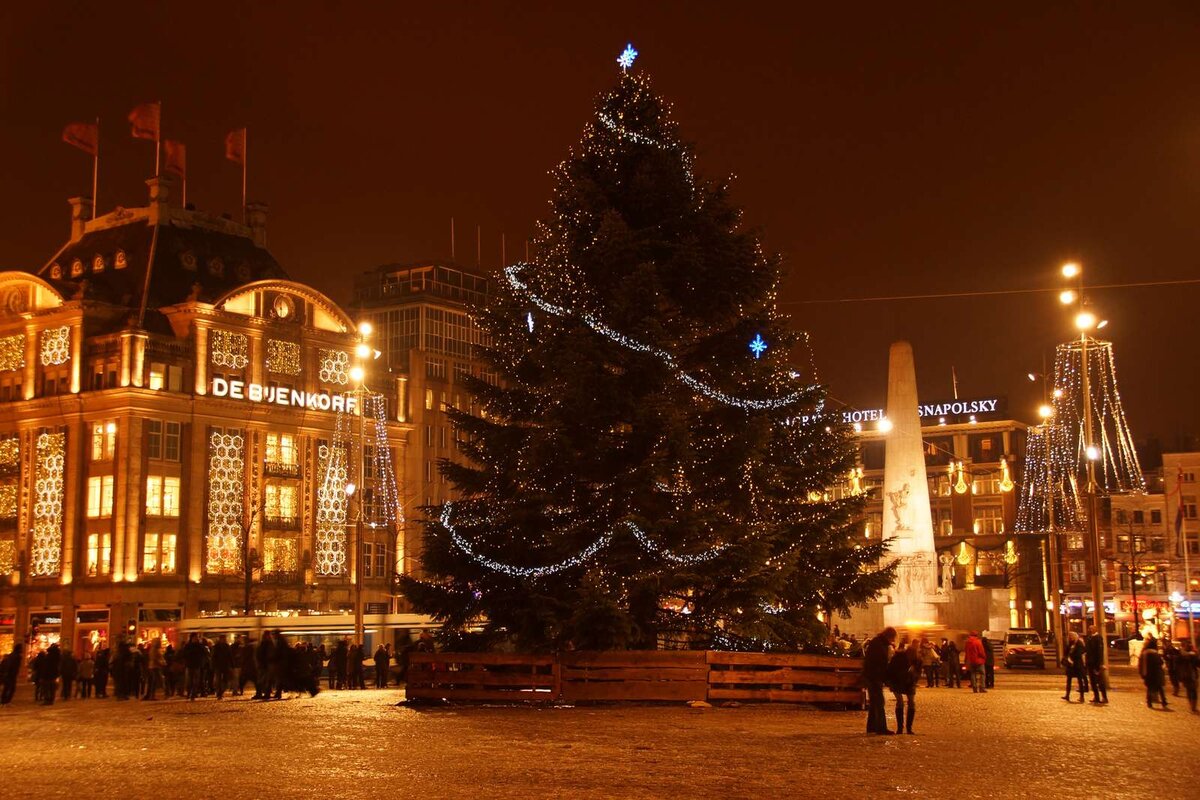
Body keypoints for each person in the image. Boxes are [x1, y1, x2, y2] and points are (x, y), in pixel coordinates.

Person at [862, 626, 897, 734]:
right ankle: (881, 728)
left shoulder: (878, 643)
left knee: (874, 703)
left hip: (873, 676)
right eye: (892, 638)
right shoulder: (878, 644)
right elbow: (878, 663)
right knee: (879, 702)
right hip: (874, 677)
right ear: (888, 636)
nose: (893, 641)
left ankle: (871, 727)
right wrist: (883, 678)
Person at [887, 638, 921, 734]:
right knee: (904, 702)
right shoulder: (900, 657)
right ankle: (903, 728)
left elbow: (918, 671)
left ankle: (905, 728)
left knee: (907, 702)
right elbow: (891, 669)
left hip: (907, 682)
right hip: (899, 681)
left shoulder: (916, 660)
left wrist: (914, 678)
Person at [1139, 636, 1168, 710]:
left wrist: (1142, 673)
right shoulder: (1155, 653)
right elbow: (1160, 662)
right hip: (1156, 673)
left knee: (1149, 688)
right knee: (1160, 688)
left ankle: (1149, 702)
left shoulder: (1144, 653)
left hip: (1147, 673)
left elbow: (1140, 664)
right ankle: (1164, 701)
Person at [1085, 626, 1108, 704]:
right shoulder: (1089, 638)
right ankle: (1096, 696)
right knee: (1092, 681)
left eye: (1091, 628)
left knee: (1100, 681)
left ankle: (1104, 697)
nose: (1089, 630)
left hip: (1096, 663)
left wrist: (1100, 663)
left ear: (1095, 629)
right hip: (1090, 663)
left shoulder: (1098, 638)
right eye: (1089, 628)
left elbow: (1099, 652)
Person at [180, 632, 206, 700]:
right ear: (191, 638)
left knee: (196, 681)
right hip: (189, 665)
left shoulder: (199, 645)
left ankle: (193, 694)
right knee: (189, 680)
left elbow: (204, 653)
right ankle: (189, 693)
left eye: (196, 637)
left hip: (197, 665)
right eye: (195, 637)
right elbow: (184, 654)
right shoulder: (188, 645)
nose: (196, 638)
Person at [1063, 631, 1086, 702]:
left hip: (1078, 665)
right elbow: (1066, 652)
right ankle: (1067, 695)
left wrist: (1072, 657)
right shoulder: (1070, 643)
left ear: (1075, 636)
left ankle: (1082, 696)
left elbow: (1080, 653)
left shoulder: (1079, 643)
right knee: (1068, 680)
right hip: (1070, 665)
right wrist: (1067, 658)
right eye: (1069, 637)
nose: (1070, 638)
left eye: (1071, 636)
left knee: (1080, 680)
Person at [1175, 640, 1198, 713]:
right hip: (1190, 674)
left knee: (1190, 690)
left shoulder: (1182, 654)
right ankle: (1192, 706)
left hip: (1187, 674)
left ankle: (1192, 706)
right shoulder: (1190, 654)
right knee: (1192, 690)